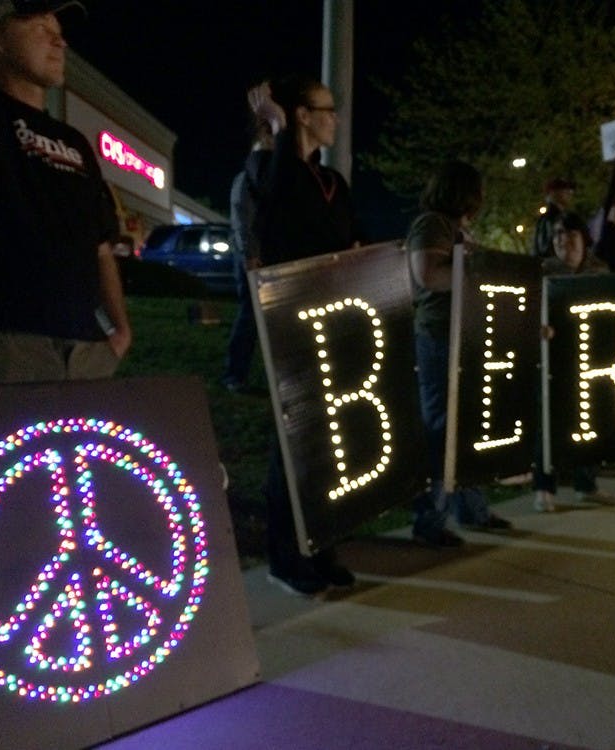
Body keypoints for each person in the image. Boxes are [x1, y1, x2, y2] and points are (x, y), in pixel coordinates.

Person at [0, 0, 130, 386]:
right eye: (41, 28)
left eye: (60, 33)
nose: (59, 42)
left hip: (87, 348)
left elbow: (101, 245)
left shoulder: (75, 141)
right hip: (3, 344)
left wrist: (120, 332)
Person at [254, 75, 357, 595]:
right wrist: (275, 132)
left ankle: (323, 547)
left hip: (332, 320)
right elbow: (276, 216)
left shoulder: (335, 182)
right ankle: (286, 557)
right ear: (302, 115)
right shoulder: (271, 170)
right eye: (326, 109)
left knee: (327, 448)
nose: (335, 117)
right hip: (290, 321)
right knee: (292, 447)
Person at [406, 160, 512, 546]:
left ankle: (472, 509)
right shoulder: (431, 225)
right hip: (439, 337)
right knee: (441, 427)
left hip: (463, 335)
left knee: (465, 426)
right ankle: (431, 520)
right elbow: (427, 275)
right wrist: (474, 265)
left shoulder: (455, 230)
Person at [533, 212, 615, 512]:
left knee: (589, 422)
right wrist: (537, 328)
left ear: (584, 239)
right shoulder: (541, 271)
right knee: (548, 423)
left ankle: (587, 483)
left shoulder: (599, 271)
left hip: (591, 360)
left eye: (570, 235)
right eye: (557, 235)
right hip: (552, 360)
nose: (563, 241)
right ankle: (544, 488)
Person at [221, 84, 283, 393]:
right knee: (250, 316)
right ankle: (234, 374)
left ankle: (243, 373)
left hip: (261, 253)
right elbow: (242, 215)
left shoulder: (261, 172)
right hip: (253, 256)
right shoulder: (251, 174)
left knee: (259, 317)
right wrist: (250, 253)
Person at [531, 176, 576, 259]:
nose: (569, 193)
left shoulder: (546, 219)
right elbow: (546, 248)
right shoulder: (552, 219)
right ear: (552, 193)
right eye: (564, 189)